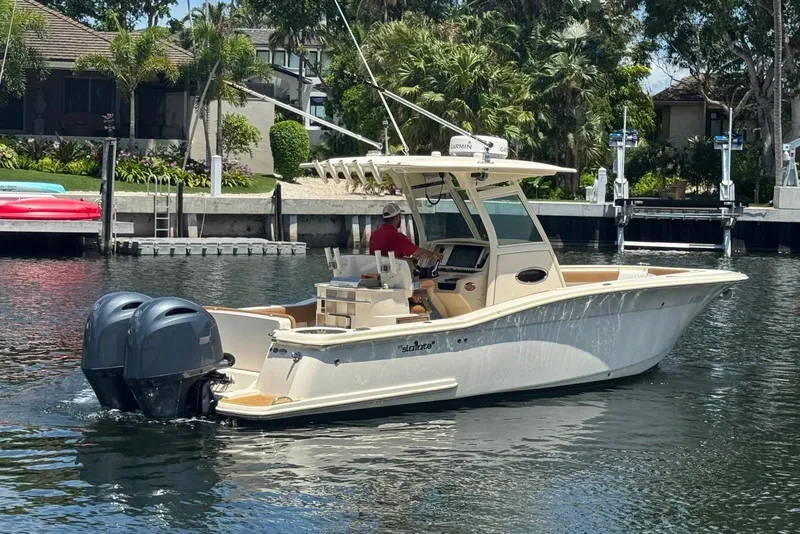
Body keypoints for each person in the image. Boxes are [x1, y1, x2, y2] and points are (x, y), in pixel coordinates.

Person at [369, 202, 443, 262]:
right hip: (393, 275)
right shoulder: (397, 237)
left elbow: (385, 258)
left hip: (377, 273)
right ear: (397, 217)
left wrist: (409, 260)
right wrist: (433, 254)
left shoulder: (374, 235)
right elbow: (418, 253)